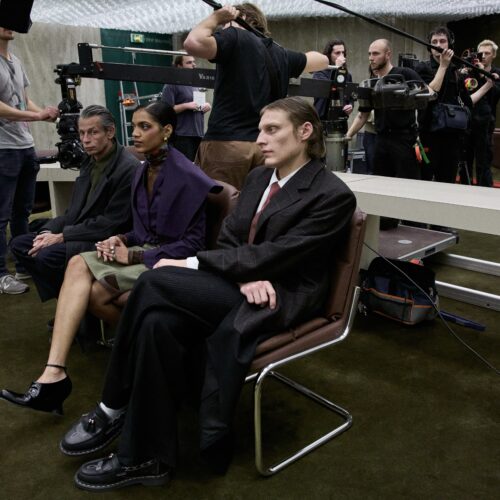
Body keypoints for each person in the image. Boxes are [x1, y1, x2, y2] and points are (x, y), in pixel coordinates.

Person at [57, 97, 356, 492]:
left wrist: (195, 264)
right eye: (260, 130)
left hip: (280, 297)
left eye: (272, 130)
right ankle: (147, 457)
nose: (260, 139)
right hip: (245, 286)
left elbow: (276, 256)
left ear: (305, 132)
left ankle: (112, 406)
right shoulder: (258, 178)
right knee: (157, 322)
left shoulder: (332, 195)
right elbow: (231, 239)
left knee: (153, 281)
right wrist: (242, 277)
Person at [0, 101, 220, 415]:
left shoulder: (187, 176)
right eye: (135, 126)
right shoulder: (143, 169)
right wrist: (121, 238)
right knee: (80, 270)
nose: (137, 134)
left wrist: (134, 253)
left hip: (167, 262)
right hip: (142, 253)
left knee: (88, 283)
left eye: (145, 127)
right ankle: (56, 372)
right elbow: (141, 228)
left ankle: (130, 355)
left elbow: (192, 245)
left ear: (167, 131)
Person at [184, 3, 329, 189]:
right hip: (265, 148)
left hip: (228, 145)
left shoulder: (235, 35)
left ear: (243, 19)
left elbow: (193, 43)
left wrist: (217, 18)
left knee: (221, 204)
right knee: (258, 204)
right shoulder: (280, 53)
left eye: (226, 24)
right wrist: (287, 56)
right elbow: (323, 61)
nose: (223, 29)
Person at [10, 105, 139, 303]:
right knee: (20, 244)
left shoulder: (127, 168)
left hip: (105, 239)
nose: (85, 140)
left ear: (110, 132)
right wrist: (47, 232)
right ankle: (68, 300)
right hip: (80, 230)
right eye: (82, 133)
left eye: (93, 132)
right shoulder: (89, 161)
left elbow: (110, 224)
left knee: (46, 256)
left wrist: (62, 236)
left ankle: (72, 305)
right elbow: (73, 211)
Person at [0, 26, 59, 294]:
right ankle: (1, 274)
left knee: (22, 212)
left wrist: (46, 113)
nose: (9, 25)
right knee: (1, 216)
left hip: (25, 146)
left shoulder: (16, 61)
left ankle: (23, 264)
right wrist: (36, 117)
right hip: (3, 148)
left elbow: (23, 101)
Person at [415, 27, 494, 184]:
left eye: (442, 41)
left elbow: (467, 102)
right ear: (429, 47)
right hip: (429, 134)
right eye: (434, 42)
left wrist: (488, 85)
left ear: (449, 45)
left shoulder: (455, 70)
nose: (438, 45)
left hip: (453, 136)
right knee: (425, 181)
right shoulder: (422, 68)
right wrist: (443, 66)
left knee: (448, 181)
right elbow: (430, 94)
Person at [345, 39, 424, 182]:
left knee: (408, 185)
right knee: (381, 184)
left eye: (376, 54)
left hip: (404, 139)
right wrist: (348, 136)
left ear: (388, 55)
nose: (371, 58)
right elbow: (362, 115)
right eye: (369, 54)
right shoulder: (371, 83)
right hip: (381, 140)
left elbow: (428, 93)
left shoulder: (405, 74)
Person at [463, 39, 500, 187]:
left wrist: (484, 74)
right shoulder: (469, 70)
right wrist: (463, 73)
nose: (483, 56)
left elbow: (496, 93)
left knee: (483, 162)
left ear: (494, 55)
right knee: (465, 160)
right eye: (481, 53)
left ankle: (484, 193)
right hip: (466, 121)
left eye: (487, 53)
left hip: (486, 123)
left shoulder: (497, 73)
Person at [160, 54, 211, 161]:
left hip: (198, 134)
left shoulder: (195, 84)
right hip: (181, 136)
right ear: (179, 66)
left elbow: (197, 106)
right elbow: (165, 111)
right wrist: (185, 106)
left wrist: (206, 106)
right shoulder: (172, 84)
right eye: (189, 62)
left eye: (194, 62)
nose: (194, 65)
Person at [313, 39, 353, 122]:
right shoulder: (319, 73)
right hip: (322, 119)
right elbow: (330, 90)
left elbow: (350, 95)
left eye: (343, 53)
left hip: (341, 119)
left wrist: (350, 105)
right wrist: (337, 68)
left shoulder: (347, 75)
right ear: (329, 55)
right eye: (337, 53)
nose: (341, 56)